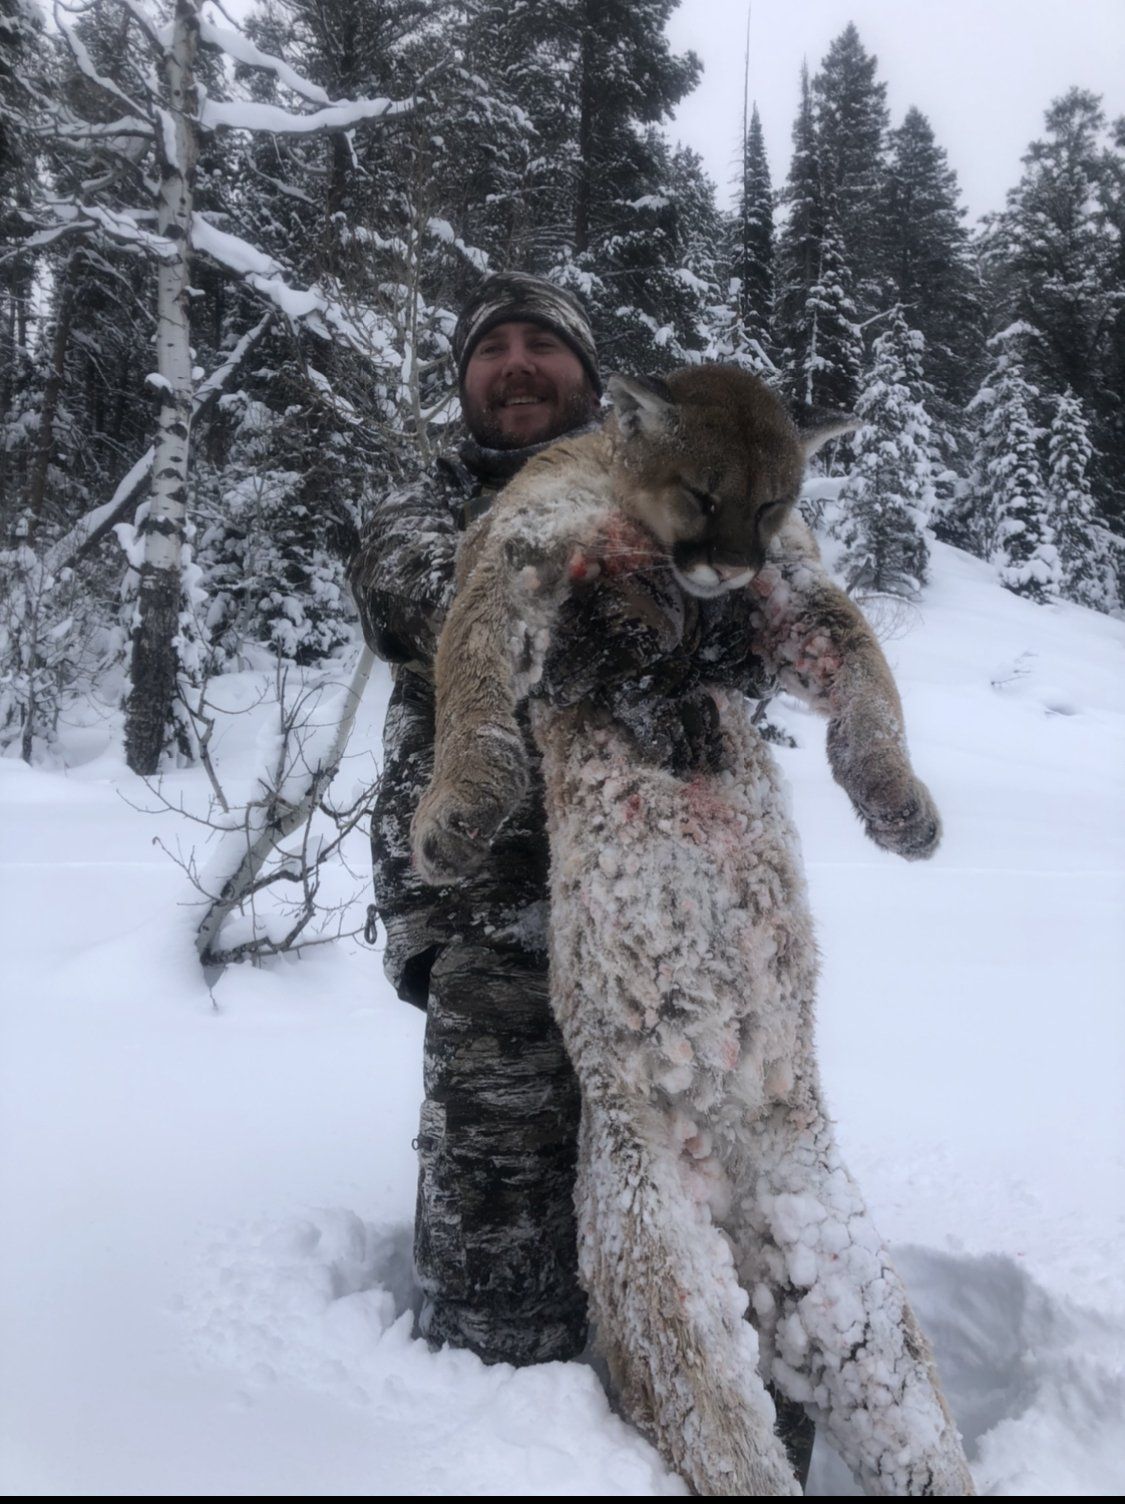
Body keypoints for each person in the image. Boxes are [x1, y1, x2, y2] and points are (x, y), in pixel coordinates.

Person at [348, 272, 813, 1479]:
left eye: (542, 347)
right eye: (491, 348)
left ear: (594, 380)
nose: (515, 365)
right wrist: (624, 607)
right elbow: (420, 595)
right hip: (498, 921)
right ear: (463, 380)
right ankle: (520, 1452)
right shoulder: (428, 498)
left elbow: (774, 616)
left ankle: (757, 1441)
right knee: (501, 1277)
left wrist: (711, 583)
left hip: (675, 939)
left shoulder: (687, 480)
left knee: (721, 1224)